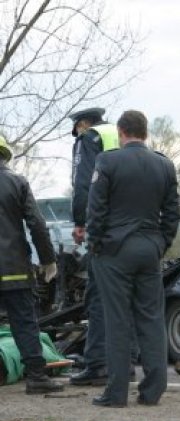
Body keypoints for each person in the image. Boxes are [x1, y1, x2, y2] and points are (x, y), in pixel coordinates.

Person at [87, 110, 180, 407]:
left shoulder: (107, 161)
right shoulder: (164, 166)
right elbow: (172, 214)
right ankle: (153, 390)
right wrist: (160, 244)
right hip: (149, 248)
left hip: (114, 251)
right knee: (151, 319)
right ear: (145, 132)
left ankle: (116, 394)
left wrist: (95, 245)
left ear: (121, 132)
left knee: (117, 321)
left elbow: (96, 210)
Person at [68, 107, 138, 386]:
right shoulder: (121, 137)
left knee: (96, 297)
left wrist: (80, 222)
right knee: (127, 298)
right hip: (131, 230)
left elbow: (82, 183)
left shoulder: (89, 138)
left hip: (104, 231)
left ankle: (96, 364)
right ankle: (128, 362)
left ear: (83, 124)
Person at [0, 136, 63, 394]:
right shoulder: (17, 182)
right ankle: (37, 376)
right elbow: (37, 224)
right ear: (5, 156)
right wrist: (48, 260)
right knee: (24, 321)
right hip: (14, 269)